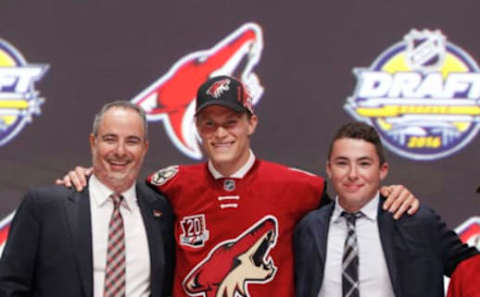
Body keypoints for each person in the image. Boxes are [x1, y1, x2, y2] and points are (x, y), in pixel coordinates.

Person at [58, 76, 419, 297]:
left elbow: (354, 211)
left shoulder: (301, 188)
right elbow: (116, 190)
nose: (220, 133)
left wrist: (388, 195)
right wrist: (85, 179)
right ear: (198, 128)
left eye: (231, 122)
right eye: (209, 123)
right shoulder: (169, 185)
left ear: (252, 123)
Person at [0, 101, 174, 297]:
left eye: (132, 141)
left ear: (145, 148)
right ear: (93, 143)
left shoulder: (162, 210)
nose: (120, 151)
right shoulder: (45, 206)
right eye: (110, 139)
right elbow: (9, 286)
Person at [294, 122, 479, 297]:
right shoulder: (309, 227)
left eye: (364, 164)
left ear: (382, 170)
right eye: (342, 163)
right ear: (329, 168)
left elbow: (471, 269)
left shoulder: (419, 222)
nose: (352, 174)